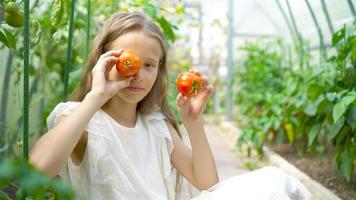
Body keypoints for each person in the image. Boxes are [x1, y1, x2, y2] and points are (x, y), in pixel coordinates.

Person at [29, 12, 311, 200]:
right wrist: (96, 96)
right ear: (104, 62)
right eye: (128, 62)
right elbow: (38, 169)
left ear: (159, 69)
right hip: (90, 104)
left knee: (274, 181)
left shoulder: (156, 125)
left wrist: (194, 123)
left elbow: (206, 184)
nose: (138, 74)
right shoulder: (82, 120)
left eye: (149, 65)